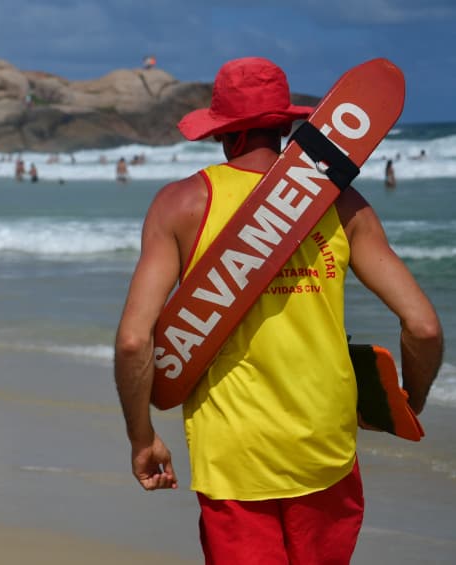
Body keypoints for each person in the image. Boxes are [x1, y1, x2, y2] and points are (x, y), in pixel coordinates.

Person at [114, 57, 443, 565]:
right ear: (289, 125)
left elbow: (136, 341)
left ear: (225, 134)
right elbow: (423, 327)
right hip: (325, 448)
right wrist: (408, 401)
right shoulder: (344, 205)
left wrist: (142, 438)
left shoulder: (180, 204)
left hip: (234, 455)